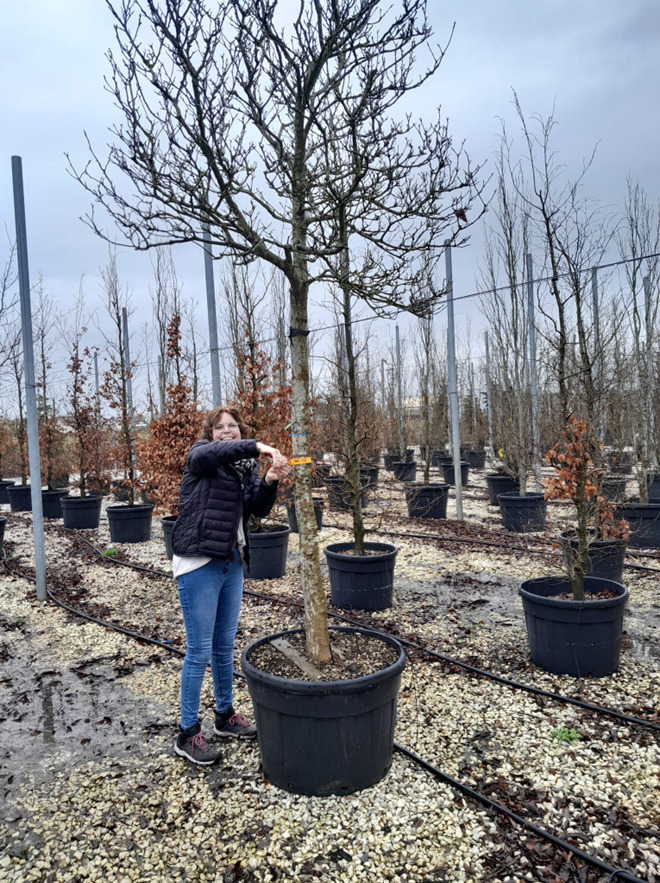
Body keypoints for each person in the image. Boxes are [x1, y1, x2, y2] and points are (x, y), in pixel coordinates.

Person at [170, 405, 291, 765]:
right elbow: (213, 454)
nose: (227, 431)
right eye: (219, 427)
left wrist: (269, 479)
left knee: (224, 646)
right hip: (199, 563)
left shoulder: (244, 468)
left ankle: (225, 716)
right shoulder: (200, 456)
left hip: (231, 562)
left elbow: (257, 508)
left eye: (232, 426)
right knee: (199, 651)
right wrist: (258, 446)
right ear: (210, 434)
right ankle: (187, 733)